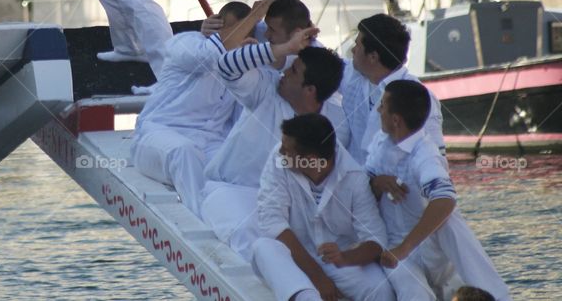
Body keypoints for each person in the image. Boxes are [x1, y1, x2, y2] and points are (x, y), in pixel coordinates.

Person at [199, 43, 347, 258]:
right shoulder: (267, 89)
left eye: (293, 70)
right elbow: (226, 66)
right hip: (232, 190)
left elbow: (327, 171)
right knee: (248, 234)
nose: (284, 73)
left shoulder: (337, 121)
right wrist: (283, 47)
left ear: (310, 90)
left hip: (289, 206)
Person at [368, 80, 510, 301]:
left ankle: (497, 296)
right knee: (415, 293)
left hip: (423, 246)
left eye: (383, 106)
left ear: (396, 119)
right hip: (393, 243)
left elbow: (444, 200)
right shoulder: (380, 141)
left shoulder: (425, 153)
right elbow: (361, 184)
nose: (378, 110)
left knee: (450, 221)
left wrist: (405, 247)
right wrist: (376, 182)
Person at [132, 1, 257, 214]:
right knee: (184, 153)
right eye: (235, 32)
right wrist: (254, 16)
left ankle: (241, 222)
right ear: (217, 26)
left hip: (210, 142)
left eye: (244, 33)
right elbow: (207, 57)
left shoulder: (246, 62)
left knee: (241, 167)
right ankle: (202, 218)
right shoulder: (184, 43)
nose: (239, 39)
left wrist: (256, 21)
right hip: (159, 135)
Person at [252, 114, 392, 301]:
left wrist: (344, 258)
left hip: (337, 261)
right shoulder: (278, 160)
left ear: (310, 159)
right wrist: (318, 278)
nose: (280, 153)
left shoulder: (355, 177)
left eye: (287, 150)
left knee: (381, 291)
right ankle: (307, 295)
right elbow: (272, 222)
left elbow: (375, 239)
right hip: (292, 258)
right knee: (263, 247)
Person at [339, 13, 444, 165]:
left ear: (373, 57)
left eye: (357, 45)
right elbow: (318, 61)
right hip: (355, 186)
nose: (353, 50)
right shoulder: (354, 76)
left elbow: (435, 159)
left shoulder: (418, 97)